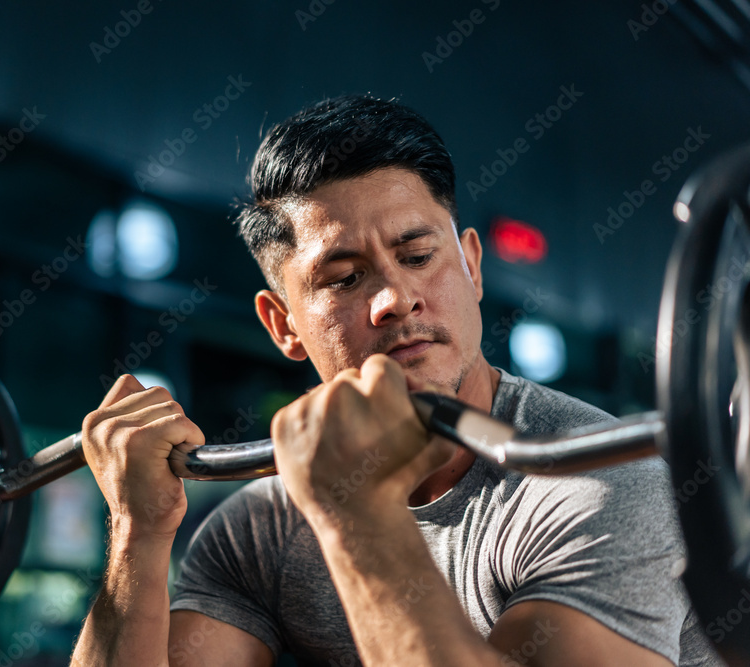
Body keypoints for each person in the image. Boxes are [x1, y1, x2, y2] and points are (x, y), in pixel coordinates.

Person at [71, 95, 722, 666]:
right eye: (345, 277)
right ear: (283, 325)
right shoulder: (261, 529)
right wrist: (137, 528)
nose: (395, 298)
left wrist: (355, 515)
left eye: (417, 256)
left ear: (471, 265)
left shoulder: (601, 484)